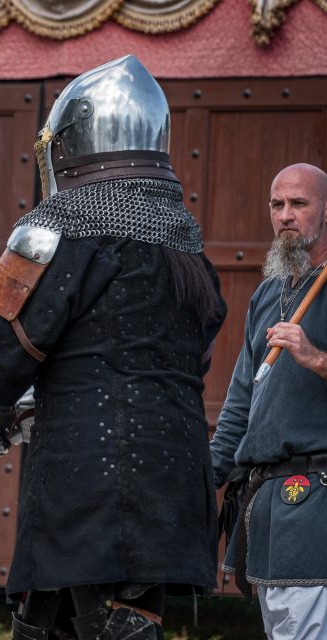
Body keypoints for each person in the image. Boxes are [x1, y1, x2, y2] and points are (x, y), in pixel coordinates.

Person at [0, 55, 226, 640]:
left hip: (92, 486)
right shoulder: (186, 244)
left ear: (65, 145)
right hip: (173, 479)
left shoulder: (58, 225)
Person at [210, 163, 327, 639]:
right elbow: (240, 406)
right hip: (269, 505)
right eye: (277, 205)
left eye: (299, 204)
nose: (285, 215)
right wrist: (201, 481)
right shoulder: (267, 294)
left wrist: (314, 356)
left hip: (318, 498)